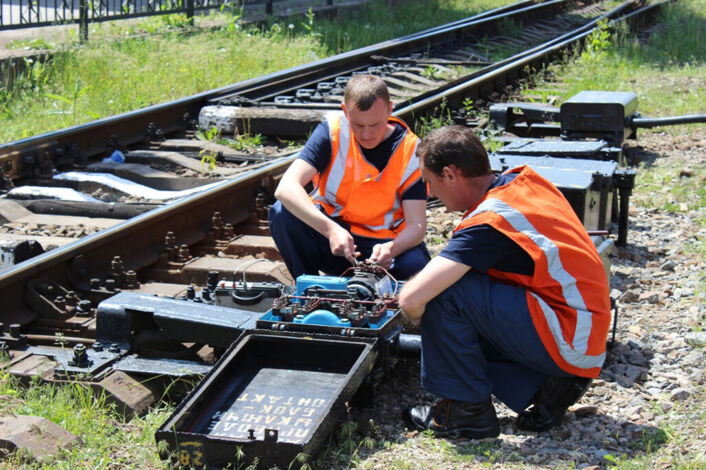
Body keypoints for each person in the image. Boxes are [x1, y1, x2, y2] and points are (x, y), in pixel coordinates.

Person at [398, 125, 611, 438]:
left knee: (445, 294)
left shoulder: (490, 222)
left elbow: (411, 299)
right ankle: (546, 387)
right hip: (582, 328)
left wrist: (421, 322)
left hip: (570, 337)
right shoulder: (522, 181)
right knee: (469, 291)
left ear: (451, 174)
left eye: (430, 182)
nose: (429, 193)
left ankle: (466, 412)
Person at [268, 74, 430, 280]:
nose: (367, 135)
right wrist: (330, 230)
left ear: (390, 109)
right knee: (282, 213)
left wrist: (392, 248)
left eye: (375, 125)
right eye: (358, 126)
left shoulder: (411, 150)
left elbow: (417, 225)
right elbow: (285, 188)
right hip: (336, 242)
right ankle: (308, 289)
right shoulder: (332, 131)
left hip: (382, 247)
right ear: (345, 111)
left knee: (416, 266)